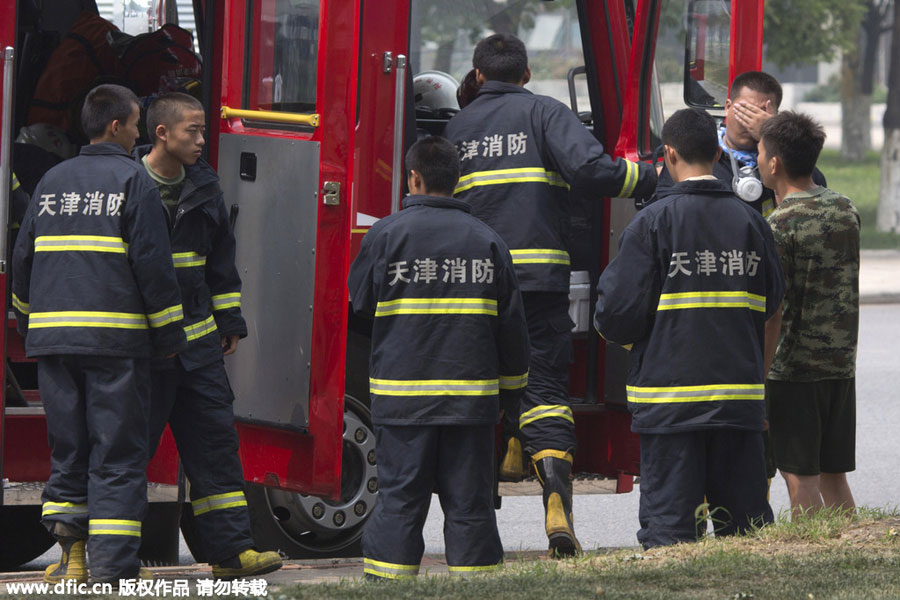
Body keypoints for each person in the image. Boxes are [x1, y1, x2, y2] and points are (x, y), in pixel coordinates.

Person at [444, 33, 657, 557]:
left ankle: (493, 486)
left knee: (482, 385)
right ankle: (556, 501)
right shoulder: (545, 112)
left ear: (475, 78)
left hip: (473, 283)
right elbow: (591, 170)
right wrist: (649, 178)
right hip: (537, 284)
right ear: (527, 75)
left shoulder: (456, 128)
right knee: (545, 389)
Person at [12, 83, 186, 583]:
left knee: (69, 449)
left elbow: (24, 260)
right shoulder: (135, 181)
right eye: (135, 125)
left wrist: (32, 325)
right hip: (115, 344)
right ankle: (110, 568)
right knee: (115, 452)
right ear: (116, 126)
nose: (137, 134)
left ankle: (71, 558)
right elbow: (154, 268)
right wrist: (171, 337)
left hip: (54, 343)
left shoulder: (50, 180)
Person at [594, 108, 784, 549]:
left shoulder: (652, 224)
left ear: (669, 155)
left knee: (672, 533)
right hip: (739, 404)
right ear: (718, 152)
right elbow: (772, 303)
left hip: (670, 406)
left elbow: (616, 313)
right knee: (746, 533)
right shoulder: (752, 222)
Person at [348, 136, 529, 580]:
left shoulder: (385, 236)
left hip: (403, 400)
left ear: (413, 177)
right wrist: (511, 397)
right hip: (470, 405)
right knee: (470, 503)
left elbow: (359, 307)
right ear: (458, 179)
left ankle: (389, 586)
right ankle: (476, 586)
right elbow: (512, 332)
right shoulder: (488, 241)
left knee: (400, 500)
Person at [137, 92, 283, 578]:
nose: (202, 140)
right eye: (193, 131)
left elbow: (221, 260)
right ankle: (113, 557)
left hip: (197, 350)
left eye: (202, 131)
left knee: (216, 449)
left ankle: (232, 552)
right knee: (128, 453)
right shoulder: (129, 184)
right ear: (162, 133)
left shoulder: (204, 185)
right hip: (146, 347)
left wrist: (229, 321)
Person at [759, 111, 860, 519]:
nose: (759, 159)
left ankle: (815, 552)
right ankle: (851, 553)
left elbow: (774, 313)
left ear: (775, 163)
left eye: (761, 152)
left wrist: (762, 372)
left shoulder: (779, 224)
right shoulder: (845, 209)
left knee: (799, 478)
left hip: (795, 370)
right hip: (841, 365)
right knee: (835, 475)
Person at [657, 71, 825, 218]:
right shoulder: (700, 150)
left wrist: (774, 136)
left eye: (760, 114)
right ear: (728, 107)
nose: (750, 122)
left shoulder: (779, 160)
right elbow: (664, 202)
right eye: (745, 111)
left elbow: (813, 191)